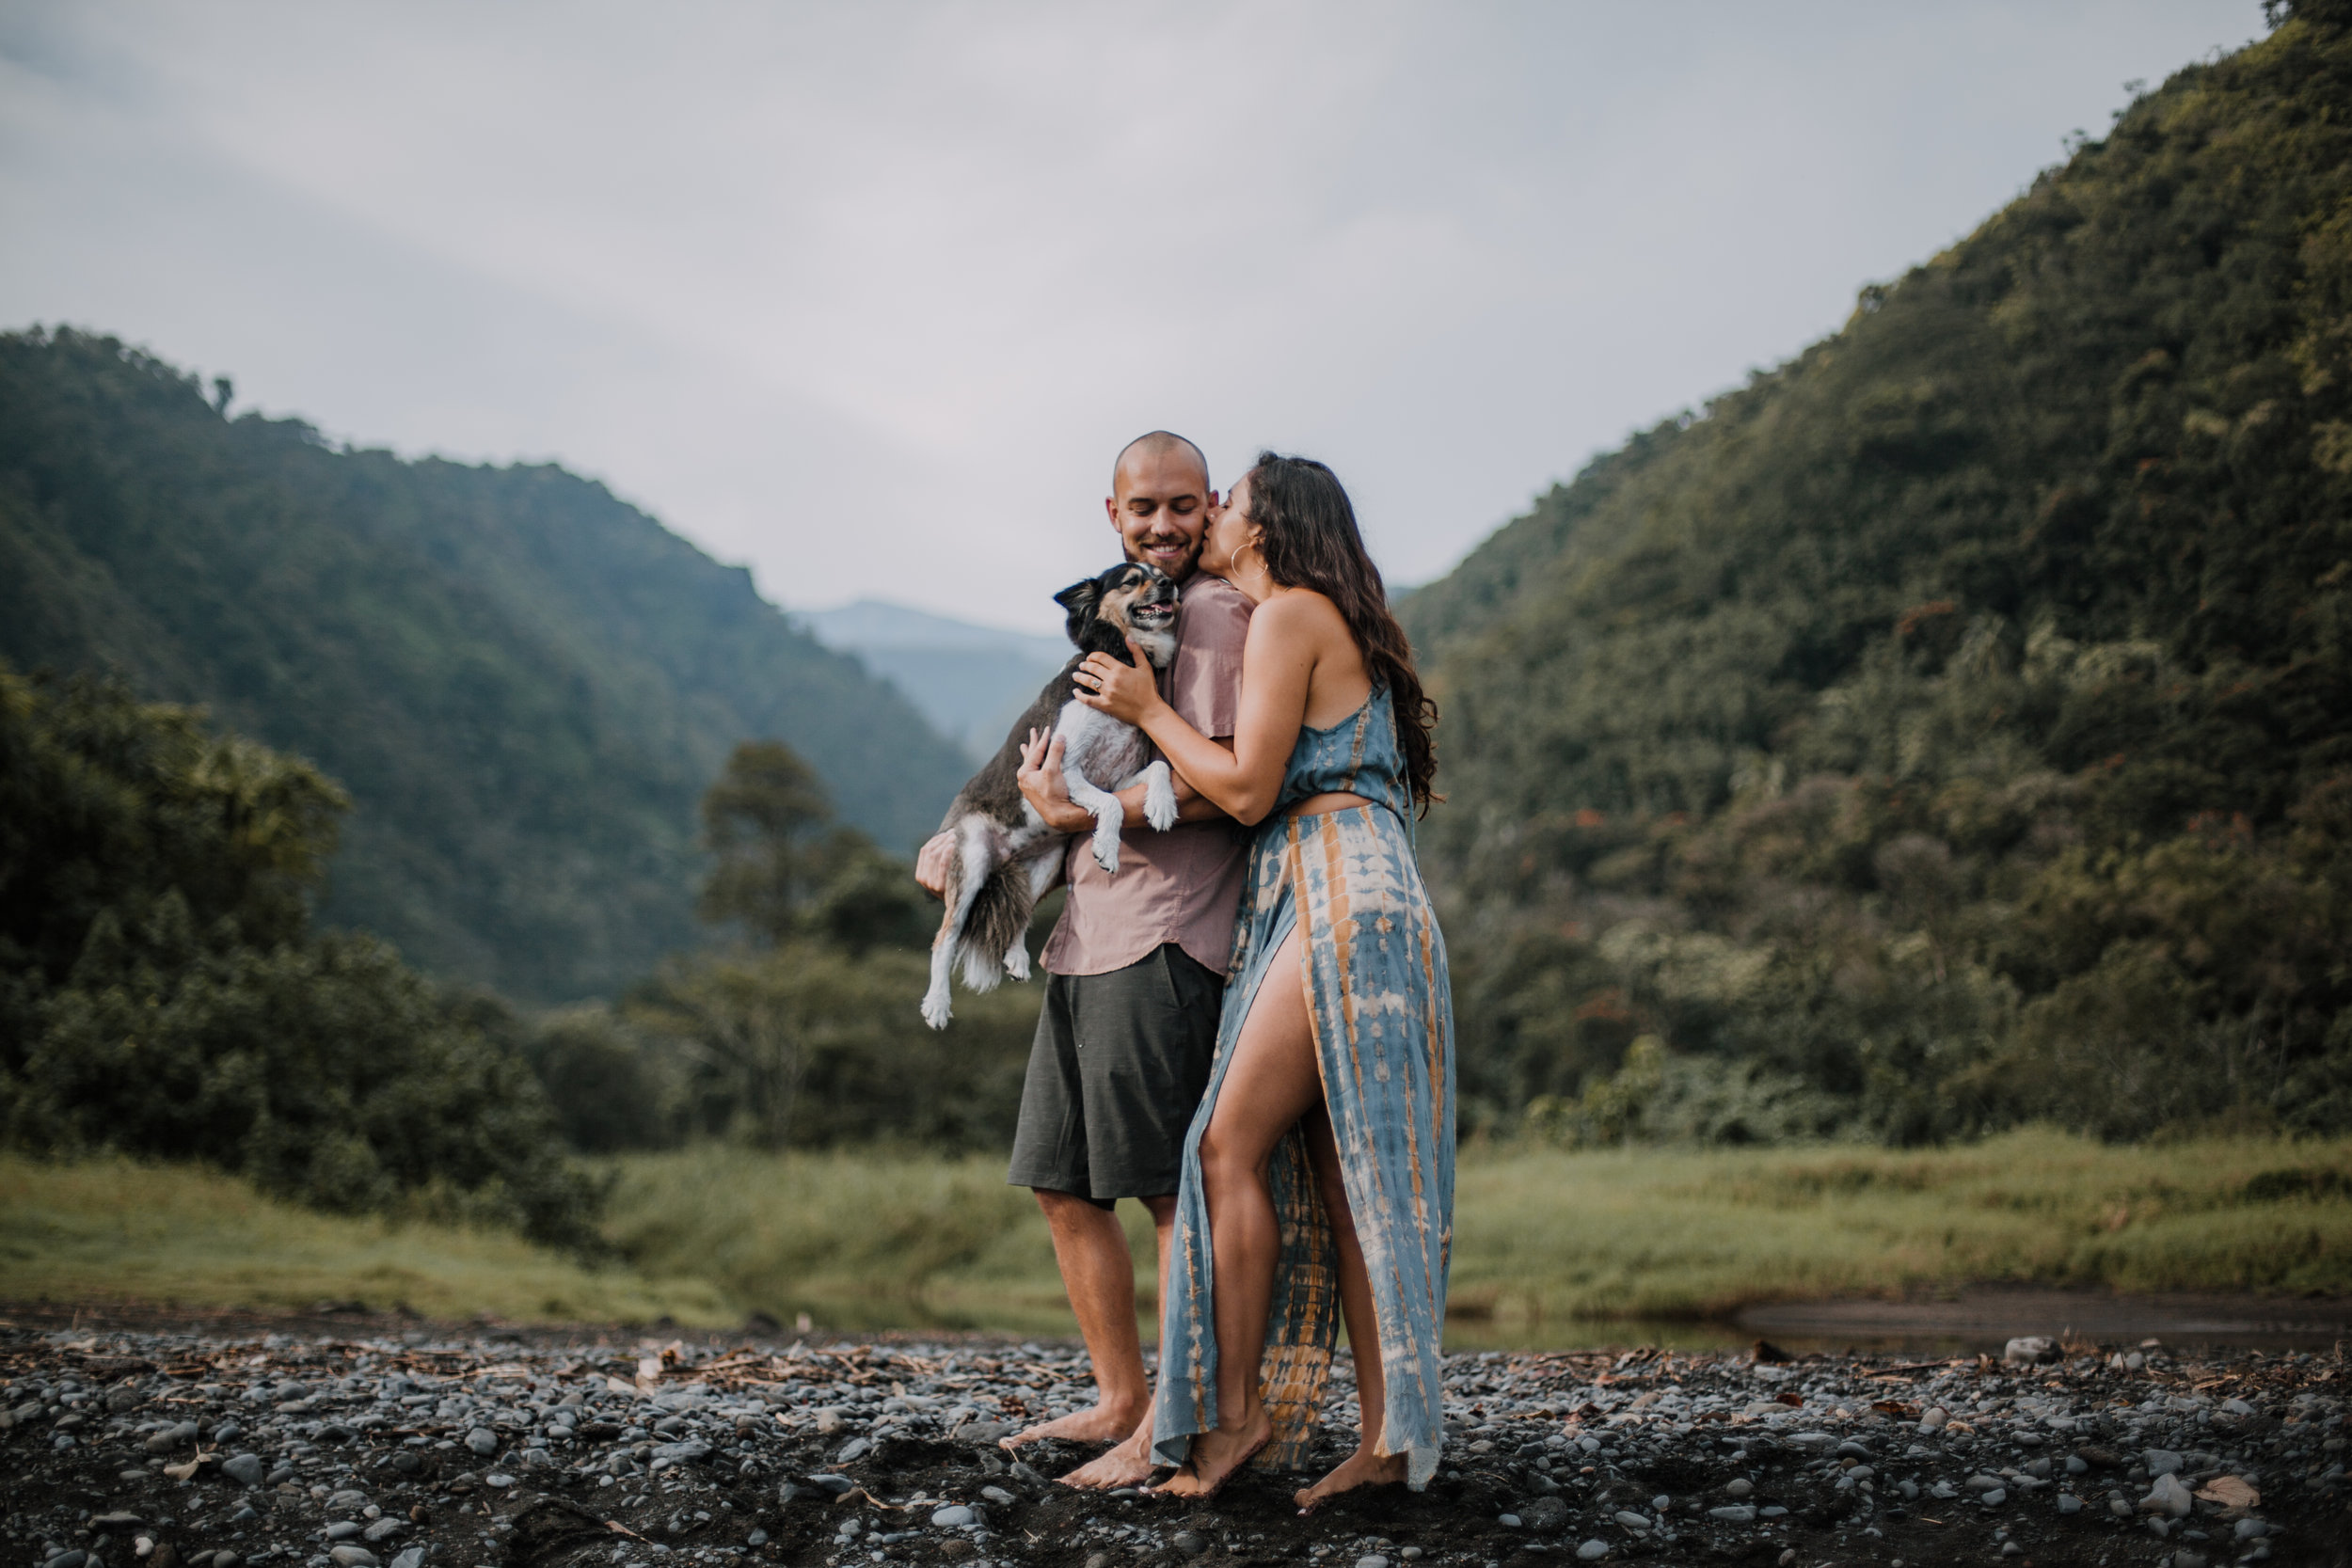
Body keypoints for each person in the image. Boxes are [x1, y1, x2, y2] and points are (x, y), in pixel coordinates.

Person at [1071, 451, 1452, 1512]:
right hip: (1357, 883)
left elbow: (1242, 790)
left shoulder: (1287, 613)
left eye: (1228, 499)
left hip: (1334, 886)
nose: (1214, 517)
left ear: (1269, 521)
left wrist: (1147, 708)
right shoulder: (1332, 618)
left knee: (1225, 1142)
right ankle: (1386, 1436)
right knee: (1344, 1179)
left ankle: (1233, 1415)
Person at [914, 431, 1254, 1490]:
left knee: (1161, 1191)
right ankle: (1119, 1394)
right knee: (1061, 1182)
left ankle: (1176, 1426)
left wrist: (1085, 807)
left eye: (1181, 506)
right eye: (1141, 507)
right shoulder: (1117, 611)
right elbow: (1052, 742)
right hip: (1082, 934)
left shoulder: (1215, 618)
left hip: (1164, 927)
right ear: (1112, 515)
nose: (1161, 525)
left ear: (1208, 506)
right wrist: (960, 828)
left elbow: (1235, 774)